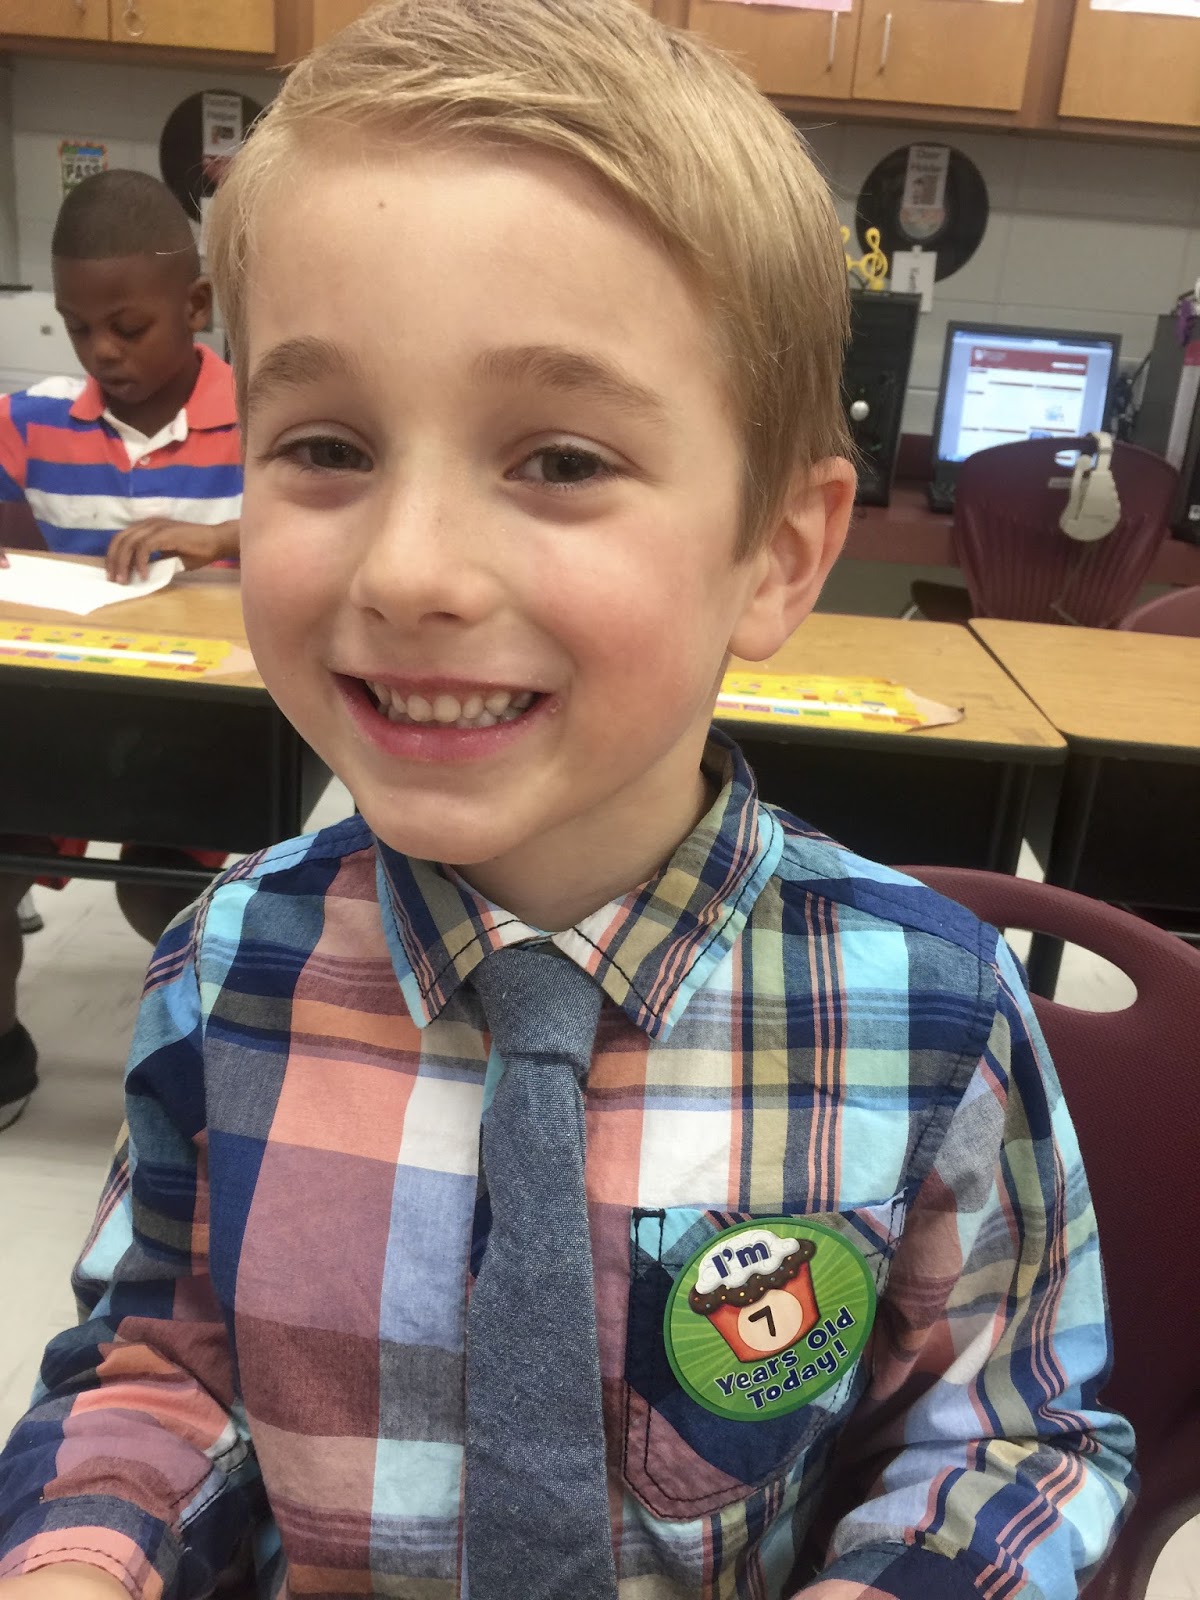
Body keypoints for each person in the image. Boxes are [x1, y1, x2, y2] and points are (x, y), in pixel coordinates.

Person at [0, 3, 1133, 1596]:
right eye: (326, 445)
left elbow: (1008, 1442)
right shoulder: (223, 973)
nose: (411, 571)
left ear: (778, 553)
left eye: (560, 462)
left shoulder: (930, 1020)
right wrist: (85, 1552)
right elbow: (155, 1368)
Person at [0, 170, 242, 1130]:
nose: (102, 351)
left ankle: (218, 1057)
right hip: (65, 715)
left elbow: (346, 524)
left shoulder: (264, 418)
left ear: (195, 304)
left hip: (202, 725)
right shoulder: (32, 424)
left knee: (162, 890)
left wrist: (225, 539)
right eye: (77, 327)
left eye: (128, 327)